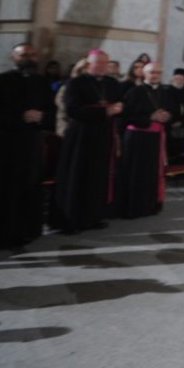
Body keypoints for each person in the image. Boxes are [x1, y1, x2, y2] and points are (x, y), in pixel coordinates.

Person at [0, 43, 50, 251]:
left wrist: (41, 117)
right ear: (13, 58)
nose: (30, 58)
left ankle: (19, 233)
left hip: (29, 143)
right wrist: (20, 116)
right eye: (24, 55)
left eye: (33, 55)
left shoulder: (41, 81)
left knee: (23, 188)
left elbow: (51, 109)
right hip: (1, 144)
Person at [52, 50, 123, 233]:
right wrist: (104, 112)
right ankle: (71, 220)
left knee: (98, 177)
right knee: (77, 176)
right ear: (87, 65)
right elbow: (72, 110)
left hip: (104, 135)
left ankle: (93, 217)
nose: (102, 66)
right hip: (81, 137)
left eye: (105, 63)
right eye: (98, 63)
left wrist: (119, 107)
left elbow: (119, 103)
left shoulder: (112, 83)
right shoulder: (74, 83)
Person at [113, 63, 176, 219]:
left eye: (159, 73)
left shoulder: (164, 92)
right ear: (144, 74)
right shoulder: (134, 92)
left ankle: (150, 205)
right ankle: (132, 208)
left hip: (156, 138)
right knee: (135, 173)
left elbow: (174, 111)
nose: (156, 75)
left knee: (152, 173)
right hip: (137, 139)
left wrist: (168, 116)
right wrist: (150, 117)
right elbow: (125, 116)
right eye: (152, 72)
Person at [55, 59, 87, 137]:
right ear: (79, 70)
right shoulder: (68, 86)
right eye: (85, 68)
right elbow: (62, 105)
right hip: (68, 123)